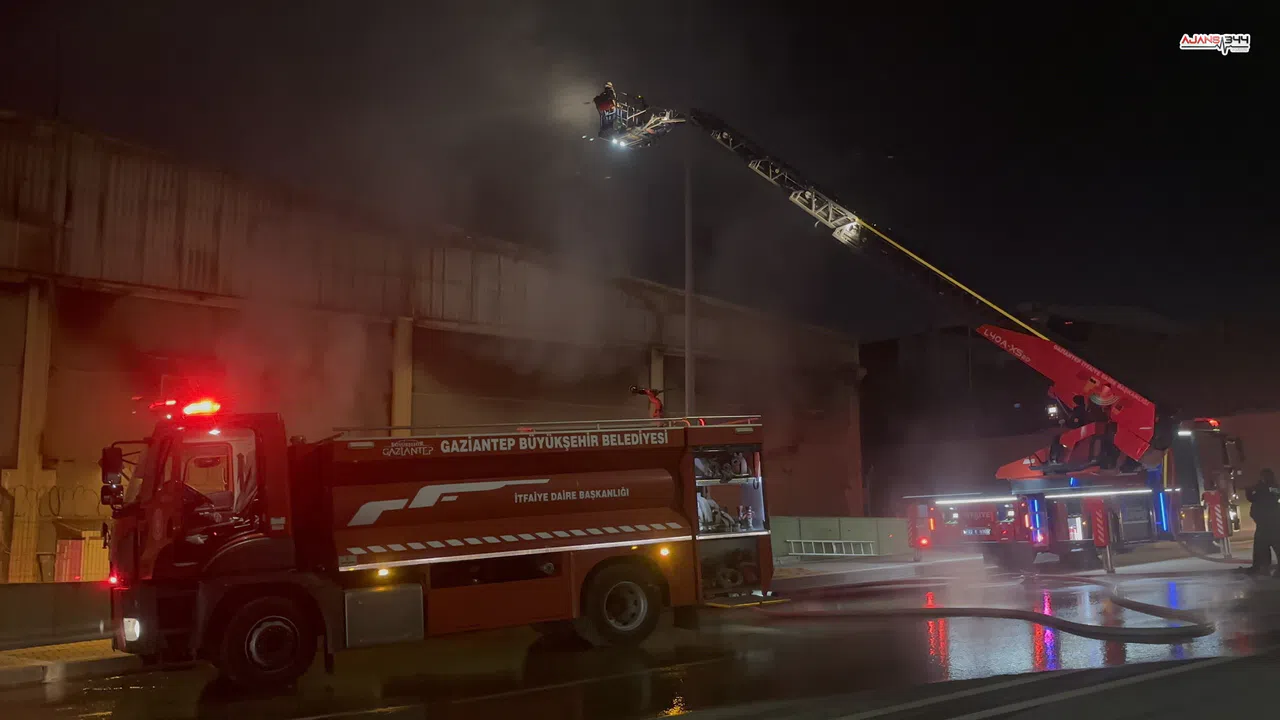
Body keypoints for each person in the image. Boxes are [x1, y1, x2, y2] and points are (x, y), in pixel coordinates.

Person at [1244, 468, 1280, 575]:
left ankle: (1261, 567)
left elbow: (1252, 498)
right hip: (1272, 522)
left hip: (1266, 523)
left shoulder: (1261, 488)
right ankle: (1261, 567)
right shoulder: (1275, 488)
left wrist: (1249, 490)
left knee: (1262, 546)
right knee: (1270, 546)